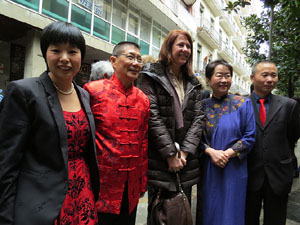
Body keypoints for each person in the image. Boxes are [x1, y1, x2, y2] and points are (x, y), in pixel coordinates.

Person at [0, 21, 99, 225]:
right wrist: (5, 216)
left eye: (72, 51)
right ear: (46, 53)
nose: (64, 58)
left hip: (83, 193)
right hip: (40, 200)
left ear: (81, 56)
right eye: (56, 50)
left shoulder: (84, 95)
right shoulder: (24, 92)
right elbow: (7, 160)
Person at [139, 30, 204, 223]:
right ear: (169, 47)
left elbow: (198, 119)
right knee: (159, 214)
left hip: (186, 162)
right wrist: (170, 155)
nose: (185, 49)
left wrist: (184, 153)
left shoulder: (194, 82)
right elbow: (152, 116)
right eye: (180, 45)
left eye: (188, 46)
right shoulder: (151, 75)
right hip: (159, 160)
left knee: (181, 213)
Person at [84, 41, 150, 225]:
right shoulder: (93, 91)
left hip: (131, 187)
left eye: (139, 59)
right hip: (100, 185)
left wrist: (142, 181)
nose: (136, 63)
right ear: (113, 61)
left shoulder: (143, 100)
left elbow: (144, 142)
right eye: (130, 57)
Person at [199, 59, 256, 225]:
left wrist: (227, 154)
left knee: (233, 210)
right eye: (219, 75)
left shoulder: (243, 104)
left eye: (228, 76)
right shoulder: (200, 106)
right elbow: (195, 137)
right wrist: (211, 152)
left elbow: (250, 136)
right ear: (209, 79)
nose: (224, 80)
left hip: (235, 167)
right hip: (210, 166)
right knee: (211, 208)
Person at [246, 60, 300, 225]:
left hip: (278, 174)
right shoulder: (240, 104)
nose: (270, 79)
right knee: (247, 218)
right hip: (248, 173)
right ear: (252, 77)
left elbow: (292, 137)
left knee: (276, 219)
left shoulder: (289, 105)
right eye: (265, 75)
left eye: (273, 75)